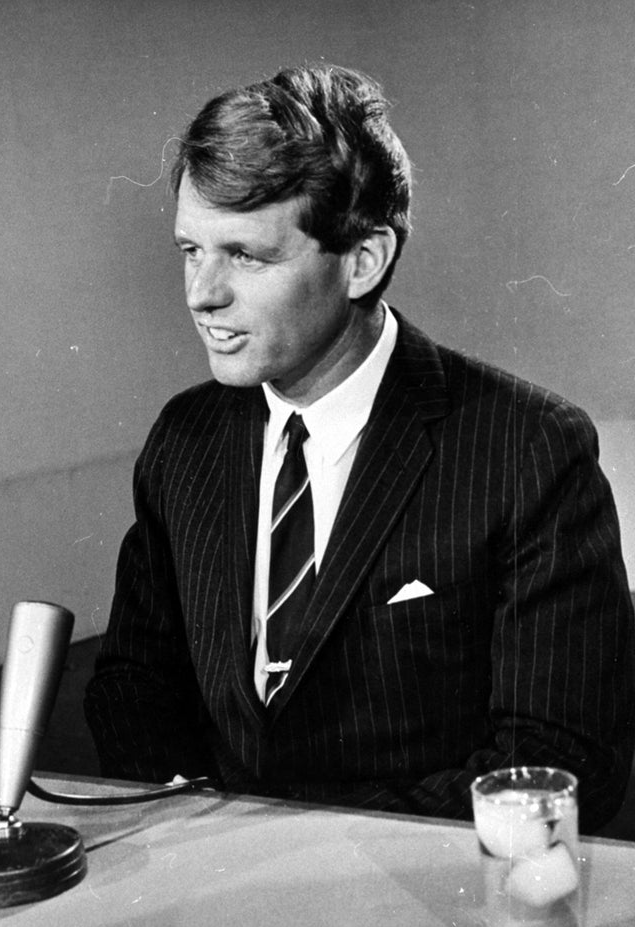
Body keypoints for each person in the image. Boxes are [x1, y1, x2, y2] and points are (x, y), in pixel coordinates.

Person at [84, 63, 635, 832]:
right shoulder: (186, 440)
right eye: (190, 250)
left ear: (362, 261)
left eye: (245, 255)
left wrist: (281, 846)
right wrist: (195, 830)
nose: (200, 293)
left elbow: (559, 761)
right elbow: (133, 681)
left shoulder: (528, 449)